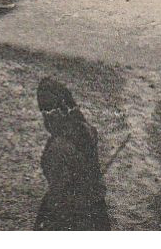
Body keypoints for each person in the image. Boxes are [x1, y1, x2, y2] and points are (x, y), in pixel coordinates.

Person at [34, 77, 111, 230]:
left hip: (73, 217)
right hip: (97, 213)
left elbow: (59, 193)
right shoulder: (87, 130)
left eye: (46, 111)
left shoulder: (57, 148)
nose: (46, 117)